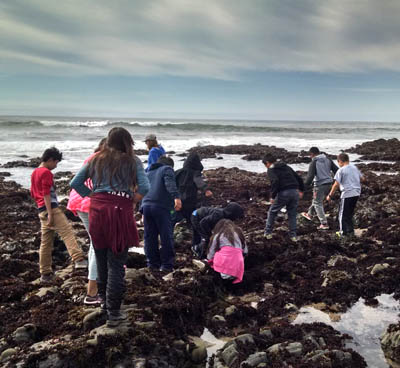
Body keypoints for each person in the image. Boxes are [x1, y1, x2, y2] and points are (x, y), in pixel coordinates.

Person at [70, 127, 150, 327]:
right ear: (127, 142)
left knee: (101, 258)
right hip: (119, 212)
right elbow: (146, 187)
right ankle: (114, 312)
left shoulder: (96, 158)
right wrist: (132, 200)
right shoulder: (132, 161)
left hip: (96, 211)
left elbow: (75, 182)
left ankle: (105, 305)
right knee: (116, 262)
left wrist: (93, 196)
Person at [30, 147, 87, 283]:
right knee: (67, 233)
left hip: (41, 210)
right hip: (51, 210)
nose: (56, 166)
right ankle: (79, 259)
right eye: (56, 163)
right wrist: (50, 213)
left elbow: (33, 193)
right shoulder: (46, 173)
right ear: (50, 160)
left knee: (46, 242)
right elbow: (46, 194)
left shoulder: (35, 172)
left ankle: (45, 273)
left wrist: (43, 211)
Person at [67, 138, 106, 305]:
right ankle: (92, 292)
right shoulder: (102, 160)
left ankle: (97, 283)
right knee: (98, 245)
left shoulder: (92, 157)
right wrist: (93, 195)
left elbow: (77, 182)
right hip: (89, 204)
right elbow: (76, 182)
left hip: (80, 203)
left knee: (95, 243)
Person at [141, 156, 182, 274]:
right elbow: (169, 183)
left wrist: (141, 209)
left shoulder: (147, 172)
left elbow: (141, 189)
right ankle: (167, 265)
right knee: (166, 236)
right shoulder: (167, 169)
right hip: (161, 207)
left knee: (149, 237)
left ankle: (152, 264)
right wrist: (176, 197)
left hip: (146, 206)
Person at [262, 154, 304, 242]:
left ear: (268, 163)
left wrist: (273, 196)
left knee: (272, 212)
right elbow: (298, 178)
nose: (266, 167)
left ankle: (267, 233)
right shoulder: (286, 167)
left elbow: (275, 181)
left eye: (265, 165)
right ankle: (293, 236)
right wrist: (301, 190)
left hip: (284, 193)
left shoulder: (271, 169)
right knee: (292, 214)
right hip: (295, 192)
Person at [326, 152, 364, 238]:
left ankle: (342, 233)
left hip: (347, 193)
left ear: (340, 161)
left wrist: (330, 195)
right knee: (349, 213)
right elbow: (362, 178)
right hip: (356, 193)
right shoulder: (354, 168)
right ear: (348, 160)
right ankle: (350, 231)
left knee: (342, 214)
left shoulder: (341, 170)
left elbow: (336, 184)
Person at [301, 147, 338, 230]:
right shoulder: (328, 159)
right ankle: (309, 214)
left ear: (312, 154)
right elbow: (336, 170)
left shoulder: (314, 162)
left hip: (319, 184)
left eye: (310, 155)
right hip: (329, 183)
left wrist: (303, 187)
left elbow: (310, 177)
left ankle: (324, 223)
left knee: (318, 203)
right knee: (316, 199)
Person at [174, 152, 213, 225]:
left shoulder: (177, 172)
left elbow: (171, 183)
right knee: (193, 219)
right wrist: (206, 190)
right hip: (190, 202)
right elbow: (198, 180)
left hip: (178, 201)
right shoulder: (195, 173)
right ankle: (192, 232)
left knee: (174, 217)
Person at [207, 219, 248, 284]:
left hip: (224, 269)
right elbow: (245, 251)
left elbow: (211, 253)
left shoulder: (218, 235)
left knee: (218, 253)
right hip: (238, 266)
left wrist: (209, 260)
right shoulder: (239, 234)